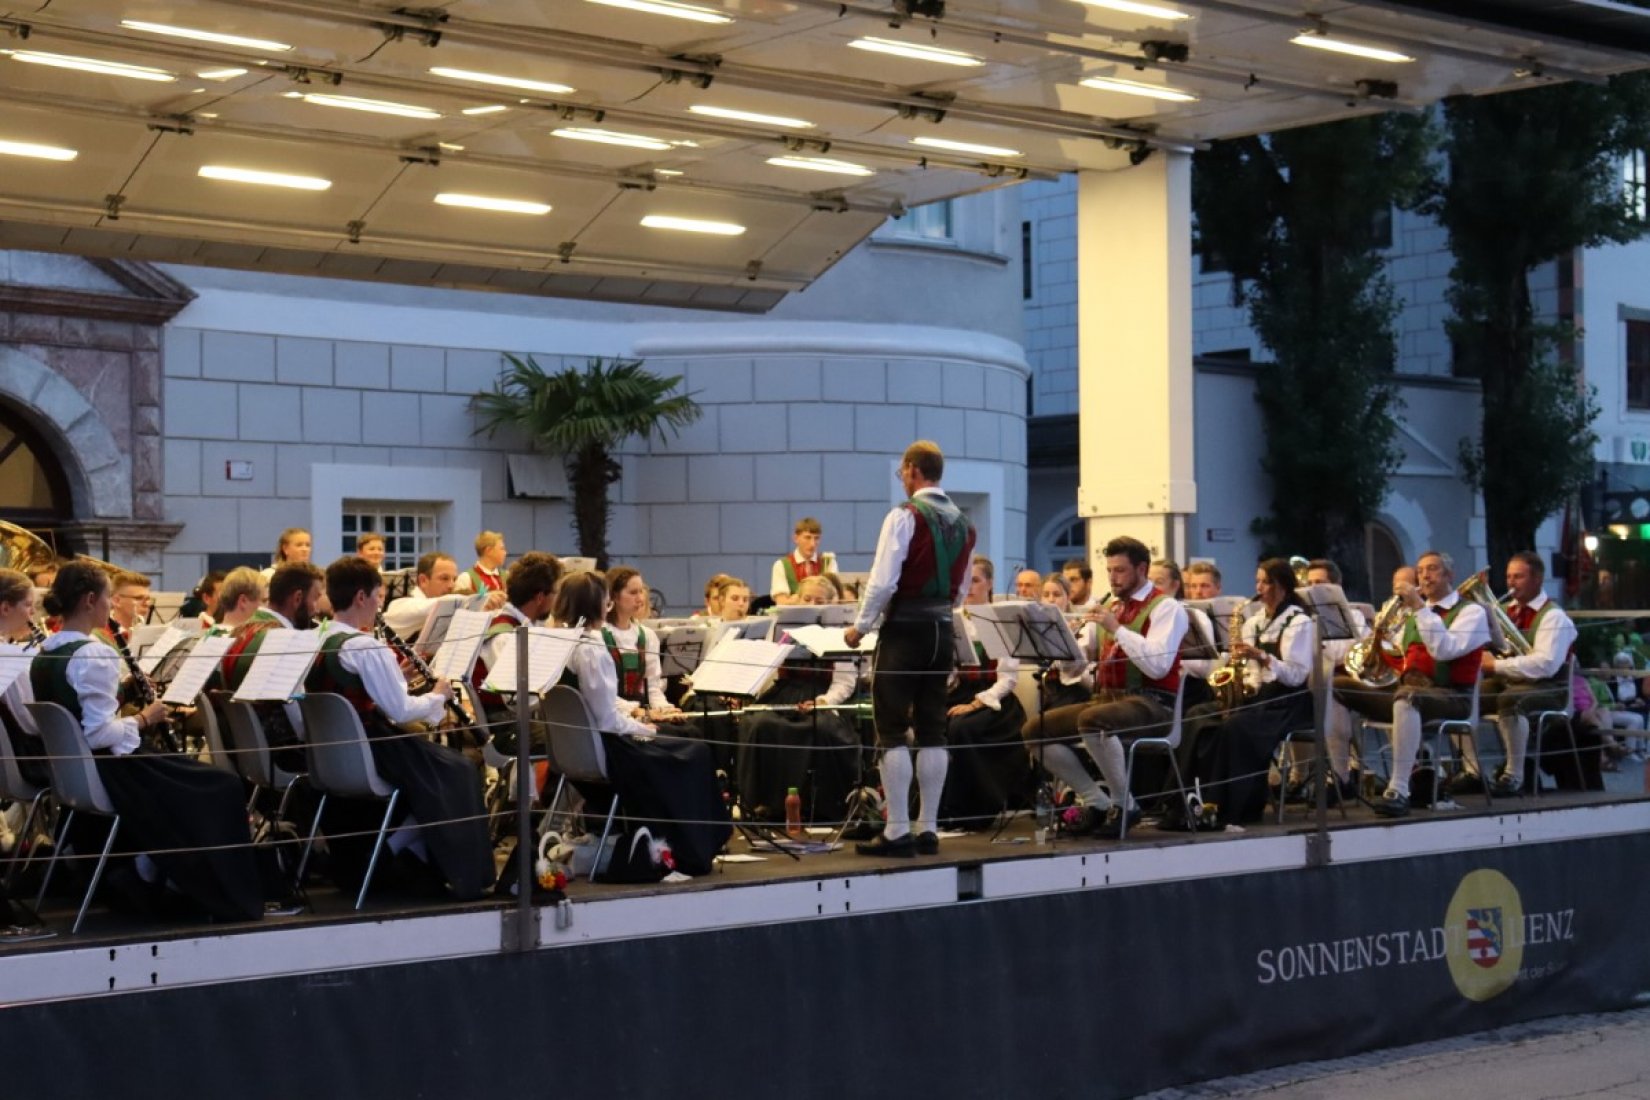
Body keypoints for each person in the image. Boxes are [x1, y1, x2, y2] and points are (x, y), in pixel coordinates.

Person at [31, 562, 265, 921]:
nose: (109, 605)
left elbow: (79, 710)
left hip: (78, 771)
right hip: (112, 770)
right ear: (90, 600)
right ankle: (178, 881)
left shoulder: (47, 651)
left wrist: (124, 690)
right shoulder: (93, 653)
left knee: (198, 779)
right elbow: (98, 733)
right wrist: (145, 718)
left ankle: (149, 867)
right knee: (221, 785)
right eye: (108, 596)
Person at [303, 557, 495, 901]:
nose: (380, 605)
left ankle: (403, 855)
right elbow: (401, 710)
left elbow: (360, 693)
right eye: (378, 596)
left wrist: (396, 677)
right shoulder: (366, 646)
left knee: (446, 770)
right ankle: (450, 871)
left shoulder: (318, 638)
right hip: (374, 749)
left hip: (337, 753)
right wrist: (438, 695)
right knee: (461, 770)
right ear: (361, 597)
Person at [844, 440, 976, 857]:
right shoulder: (965, 525)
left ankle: (897, 830)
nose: (902, 478)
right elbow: (962, 588)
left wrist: (860, 626)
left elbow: (883, 580)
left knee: (891, 727)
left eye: (902, 471)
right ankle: (928, 828)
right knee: (933, 728)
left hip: (905, 630)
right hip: (942, 629)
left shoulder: (904, 515)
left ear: (912, 469)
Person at [555, 571, 729, 876]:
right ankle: (690, 846)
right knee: (696, 752)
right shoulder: (592, 650)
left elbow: (599, 705)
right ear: (599, 604)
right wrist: (644, 728)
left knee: (686, 743)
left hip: (577, 747)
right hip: (609, 748)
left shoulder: (563, 643)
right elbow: (608, 718)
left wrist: (642, 718)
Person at [1333, 551, 1489, 818]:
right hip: (1409, 691)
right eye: (1421, 570)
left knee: (1407, 696)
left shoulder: (1471, 612)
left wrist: (1418, 607)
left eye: (1433, 569)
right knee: (1337, 686)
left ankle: (1399, 789)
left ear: (1449, 575)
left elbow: (1444, 650)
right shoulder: (1414, 615)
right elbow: (1398, 658)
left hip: (1453, 696)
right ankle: (1340, 777)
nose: (1425, 576)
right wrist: (1378, 639)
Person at [1173, 559, 1315, 825]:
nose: (1258, 588)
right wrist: (1242, 676)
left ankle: (1233, 806)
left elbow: (1296, 675)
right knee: (1198, 716)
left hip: (1287, 701)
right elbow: (1250, 670)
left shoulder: (1298, 622)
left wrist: (1262, 657)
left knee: (1234, 726)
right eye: (1257, 581)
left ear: (1281, 586)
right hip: (1258, 697)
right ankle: (1187, 802)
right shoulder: (1255, 622)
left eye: (1265, 582)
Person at [734, 575, 861, 821]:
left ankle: (819, 805)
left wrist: (823, 701)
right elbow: (769, 671)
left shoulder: (841, 632)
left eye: (819, 601)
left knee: (822, 729)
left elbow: (845, 682)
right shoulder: (782, 628)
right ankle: (762, 802)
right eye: (807, 599)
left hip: (821, 695)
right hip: (783, 693)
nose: (812, 604)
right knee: (759, 724)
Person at [940, 557, 1031, 830]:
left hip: (995, 702)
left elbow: (1008, 679)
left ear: (989, 583)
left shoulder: (1000, 621)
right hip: (960, 693)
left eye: (975, 580)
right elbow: (952, 673)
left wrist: (976, 704)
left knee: (962, 728)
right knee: (930, 722)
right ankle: (938, 808)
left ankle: (973, 808)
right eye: (964, 580)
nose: (968, 586)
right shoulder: (954, 619)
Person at [1477, 551, 1578, 795]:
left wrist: (1495, 666)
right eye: (1509, 576)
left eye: (1518, 577)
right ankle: (1471, 772)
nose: (1511, 583)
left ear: (1537, 579)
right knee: (1464, 695)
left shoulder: (1553, 616)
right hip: (1512, 681)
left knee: (1511, 700)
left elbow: (1546, 664)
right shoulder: (1505, 611)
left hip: (1550, 688)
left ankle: (1514, 775)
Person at [471, 553, 564, 746]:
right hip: (503, 726)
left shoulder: (526, 625)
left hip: (518, 720)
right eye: (555, 593)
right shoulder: (505, 635)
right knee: (575, 738)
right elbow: (517, 701)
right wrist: (562, 695)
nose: (557, 600)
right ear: (540, 597)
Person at [382, 551, 476, 640]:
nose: (452, 585)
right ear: (423, 581)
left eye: (454, 579)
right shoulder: (402, 606)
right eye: (444, 578)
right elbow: (433, 606)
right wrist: (473, 600)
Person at [770, 517, 838, 605]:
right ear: (796, 538)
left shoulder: (829, 562)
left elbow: (835, 599)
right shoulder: (781, 565)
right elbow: (781, 602)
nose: (812, 544)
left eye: (816, 538)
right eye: (807, 538)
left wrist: (797, 599)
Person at [454, 531, 507, 596]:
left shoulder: (507, 577)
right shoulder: (466, 578)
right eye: (502, 548)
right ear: (488, 551)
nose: (505, 553)